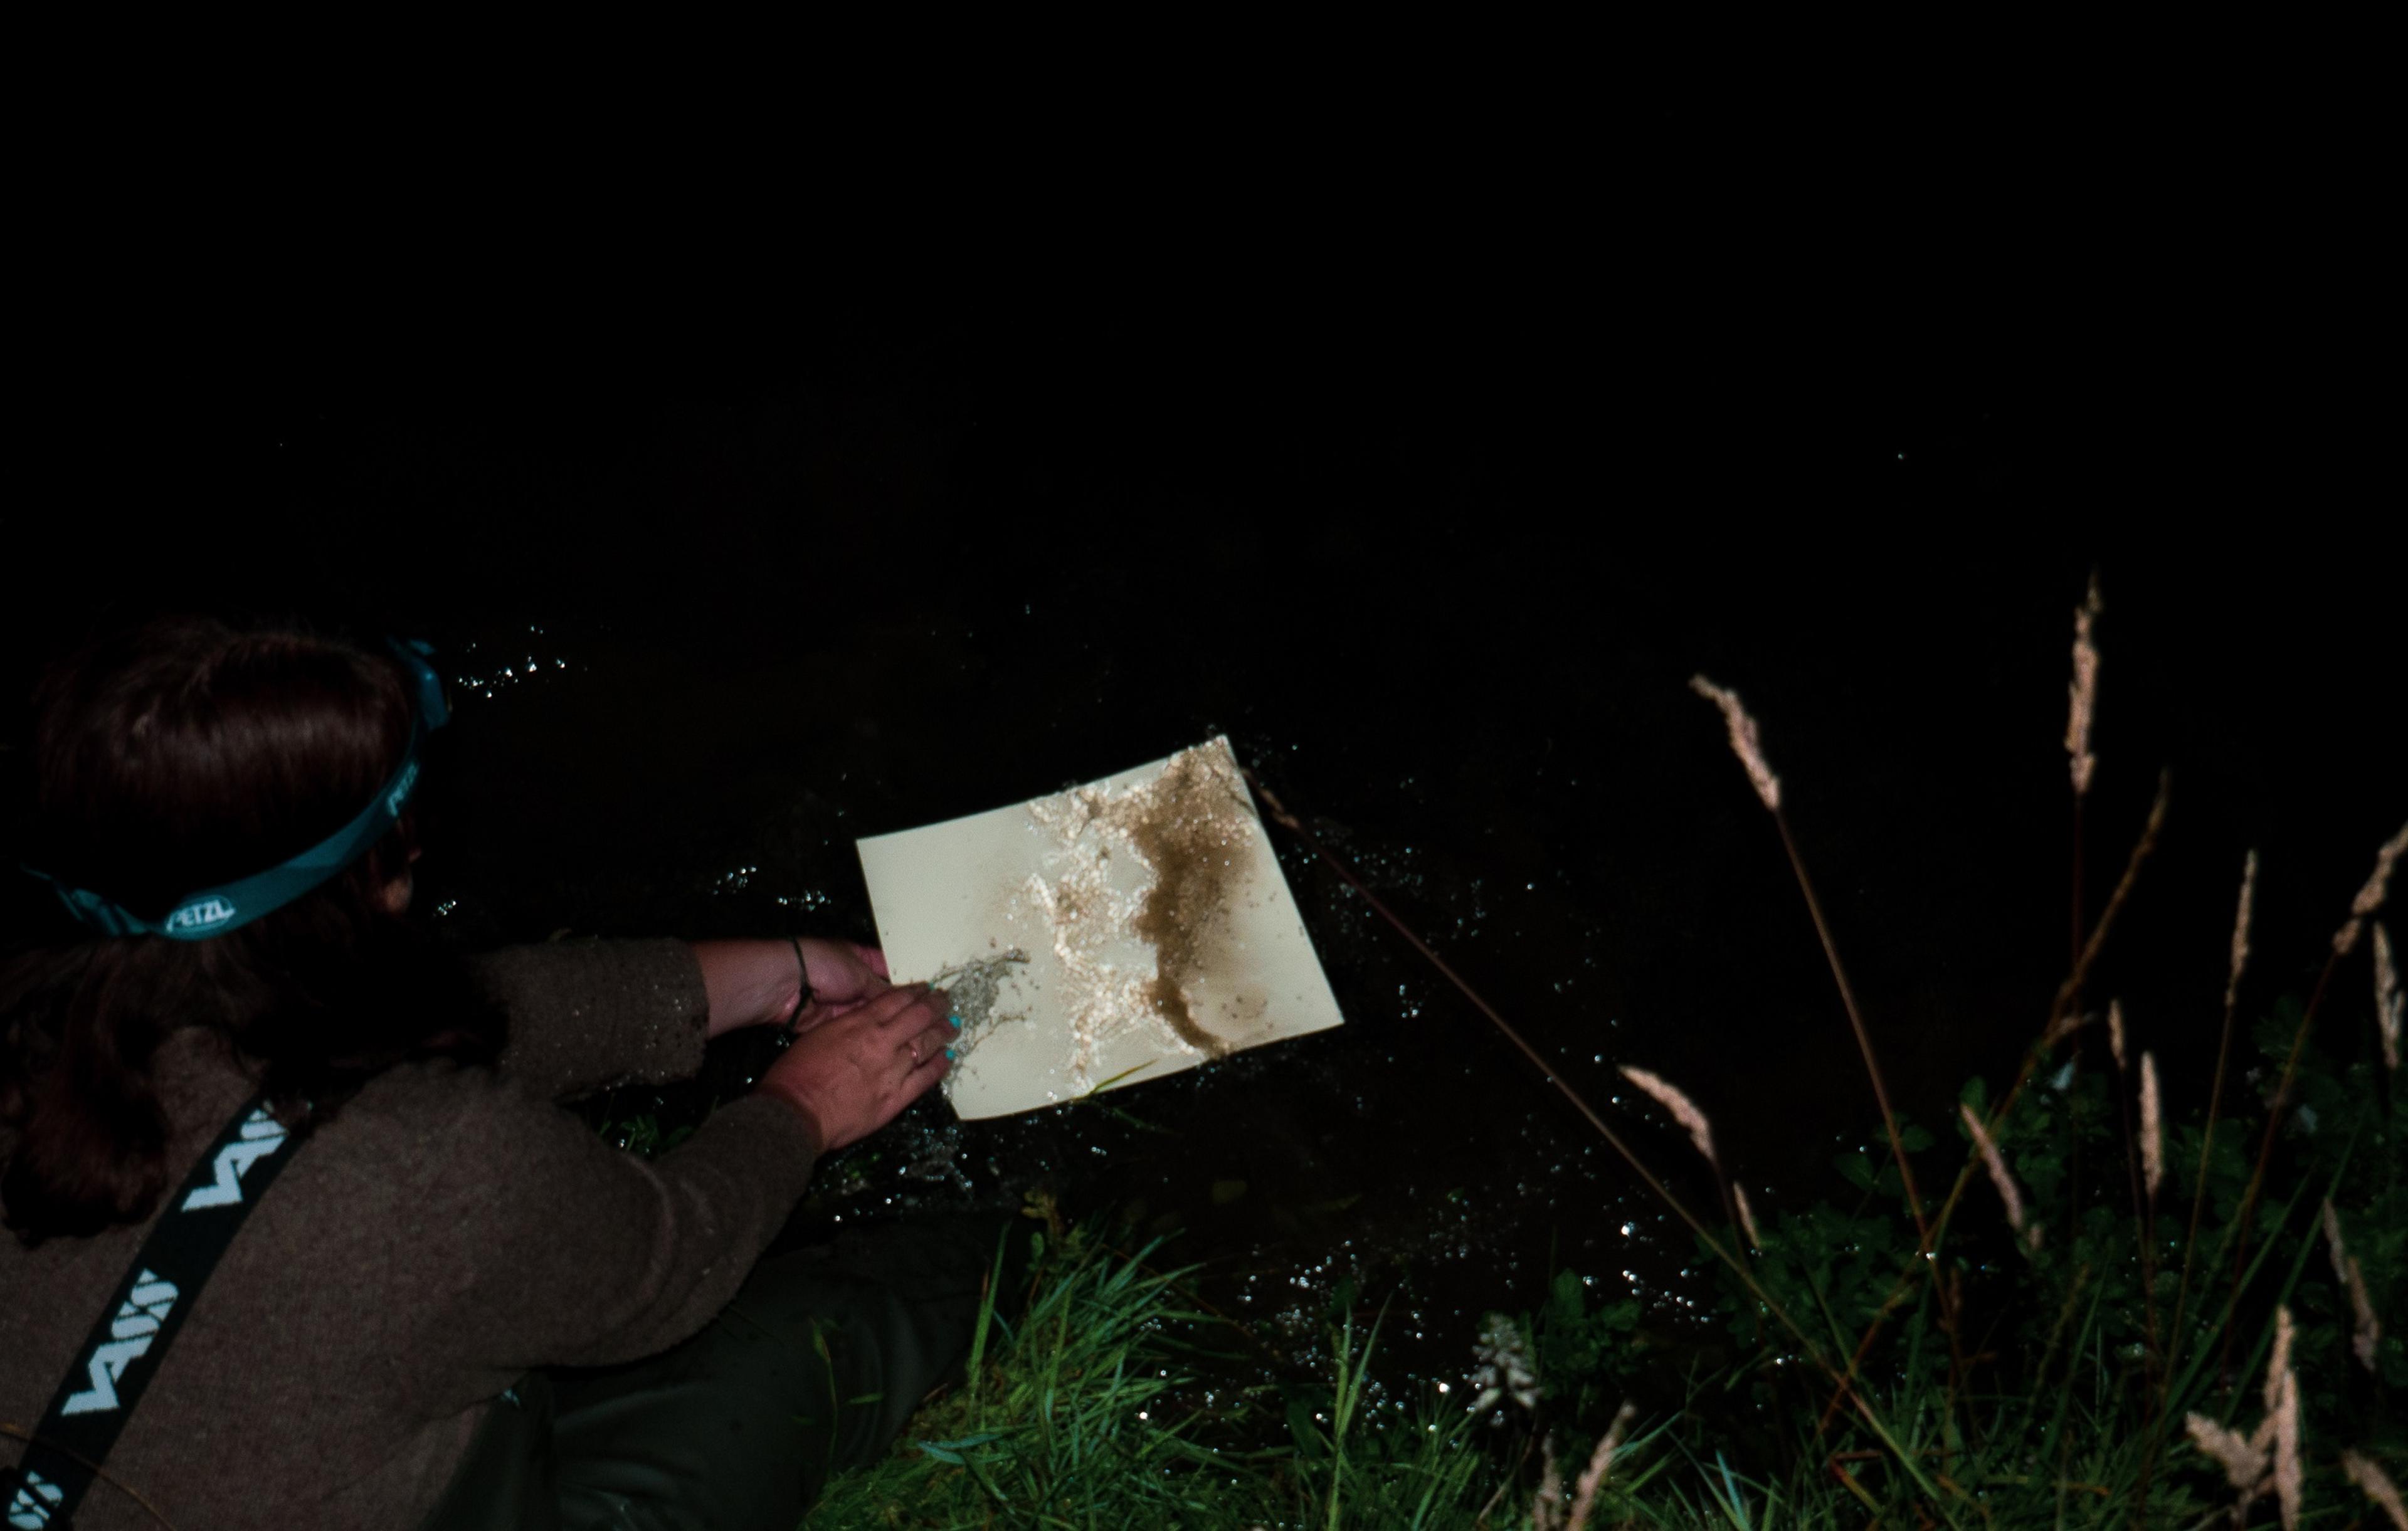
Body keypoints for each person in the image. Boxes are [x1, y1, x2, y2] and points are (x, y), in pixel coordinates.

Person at [0, 617, 985, 1530]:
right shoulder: (444, 1172)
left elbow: (416, 1015)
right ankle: (990, 1264)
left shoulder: (54, 1014)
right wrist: (807, 1103)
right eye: (402, 819)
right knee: (840, 1326)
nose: (423, 836)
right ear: (357, 882)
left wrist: (767, 976)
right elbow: (673, 1255)